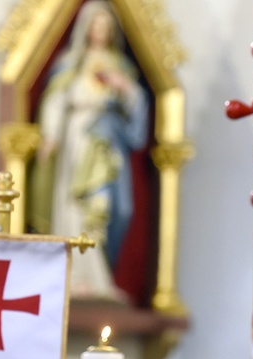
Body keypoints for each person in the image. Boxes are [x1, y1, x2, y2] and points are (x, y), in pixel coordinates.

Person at [31, 0, 150, 301]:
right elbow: (55, 100)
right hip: (77, 138)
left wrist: (124, 88)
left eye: (106, 26)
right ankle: (75, 276)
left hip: (108, 142)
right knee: (74, 204)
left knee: (112, 207)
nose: (100, 31)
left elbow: (137, 106)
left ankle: (99, 276)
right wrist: (50, 136)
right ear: (86, 29)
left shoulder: (121, 67)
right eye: (96, 25)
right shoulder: (71, 64)